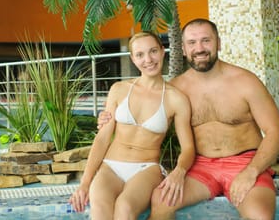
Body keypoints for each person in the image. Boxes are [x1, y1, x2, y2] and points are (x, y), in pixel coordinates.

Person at [99, 18, 279, 220]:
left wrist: (252, 171)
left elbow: (276, 132)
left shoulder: (246, 82)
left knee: (260, 216)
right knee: (162, 200)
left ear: (219, 43)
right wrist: (108, 118)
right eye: (192, 43)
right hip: (201, 166)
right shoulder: (177, 90)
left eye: (206, 40)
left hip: (244, 162)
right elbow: (141, 121)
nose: (199, 48)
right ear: (184, 49)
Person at [69, 32, 195, 219]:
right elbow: (103, 139)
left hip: (146, 168)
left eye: (153, 51)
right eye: (140, 54)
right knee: (99, 210)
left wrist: (179, 171)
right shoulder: (119, 90)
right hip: (110, 166)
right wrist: (85, 183)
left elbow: (188, 148)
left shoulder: (176, 99)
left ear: (162, 51)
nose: (148, 60)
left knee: (124, 209)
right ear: (133, 59)